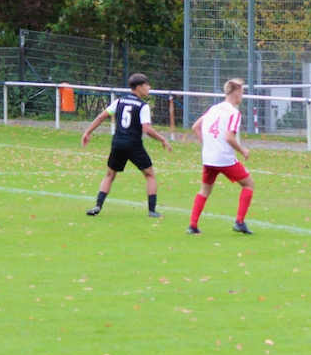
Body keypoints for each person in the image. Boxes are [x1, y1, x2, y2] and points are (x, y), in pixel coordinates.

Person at [82, 73, 171, 217]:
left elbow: (101, 116)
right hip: (133, 144)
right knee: (150, 175)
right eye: (147, 85)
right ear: (139, 87)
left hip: (118, 142)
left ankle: (98, 206)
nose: (149, 87)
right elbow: (147, 129)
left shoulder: (119, 101)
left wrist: (87, 132)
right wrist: (162, 139)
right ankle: (152, 210)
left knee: (110, 175)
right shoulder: (143, 106)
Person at [188, 78, 256, 235]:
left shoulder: (213, 109)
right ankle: (239, 222)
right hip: (224, 159)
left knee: (204, 190)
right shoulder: (234, 113)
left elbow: (195, 127)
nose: (242, 96)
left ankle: (192, 225)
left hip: (208, 158)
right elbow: (229, 137)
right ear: (237, 93)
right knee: (249, 184)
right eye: (242, 93)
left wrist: (208, 143)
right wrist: (243, 150)